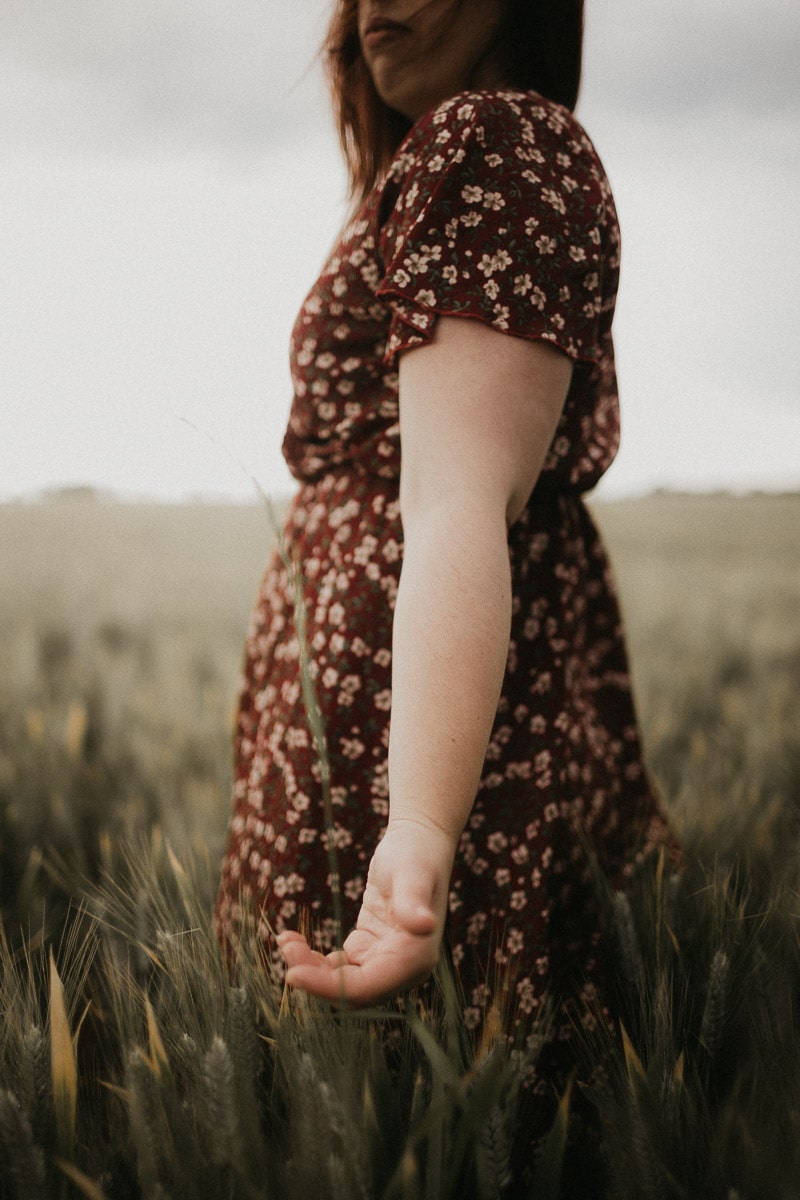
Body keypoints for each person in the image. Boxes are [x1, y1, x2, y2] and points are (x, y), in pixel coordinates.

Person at [216, 0, 675, 1086]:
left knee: (436, 1099)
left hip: (417, 752)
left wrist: (416, 835)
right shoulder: (437, 154)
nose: (372, 2)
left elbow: (459, 504)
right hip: (376, 732)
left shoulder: (495, 143)